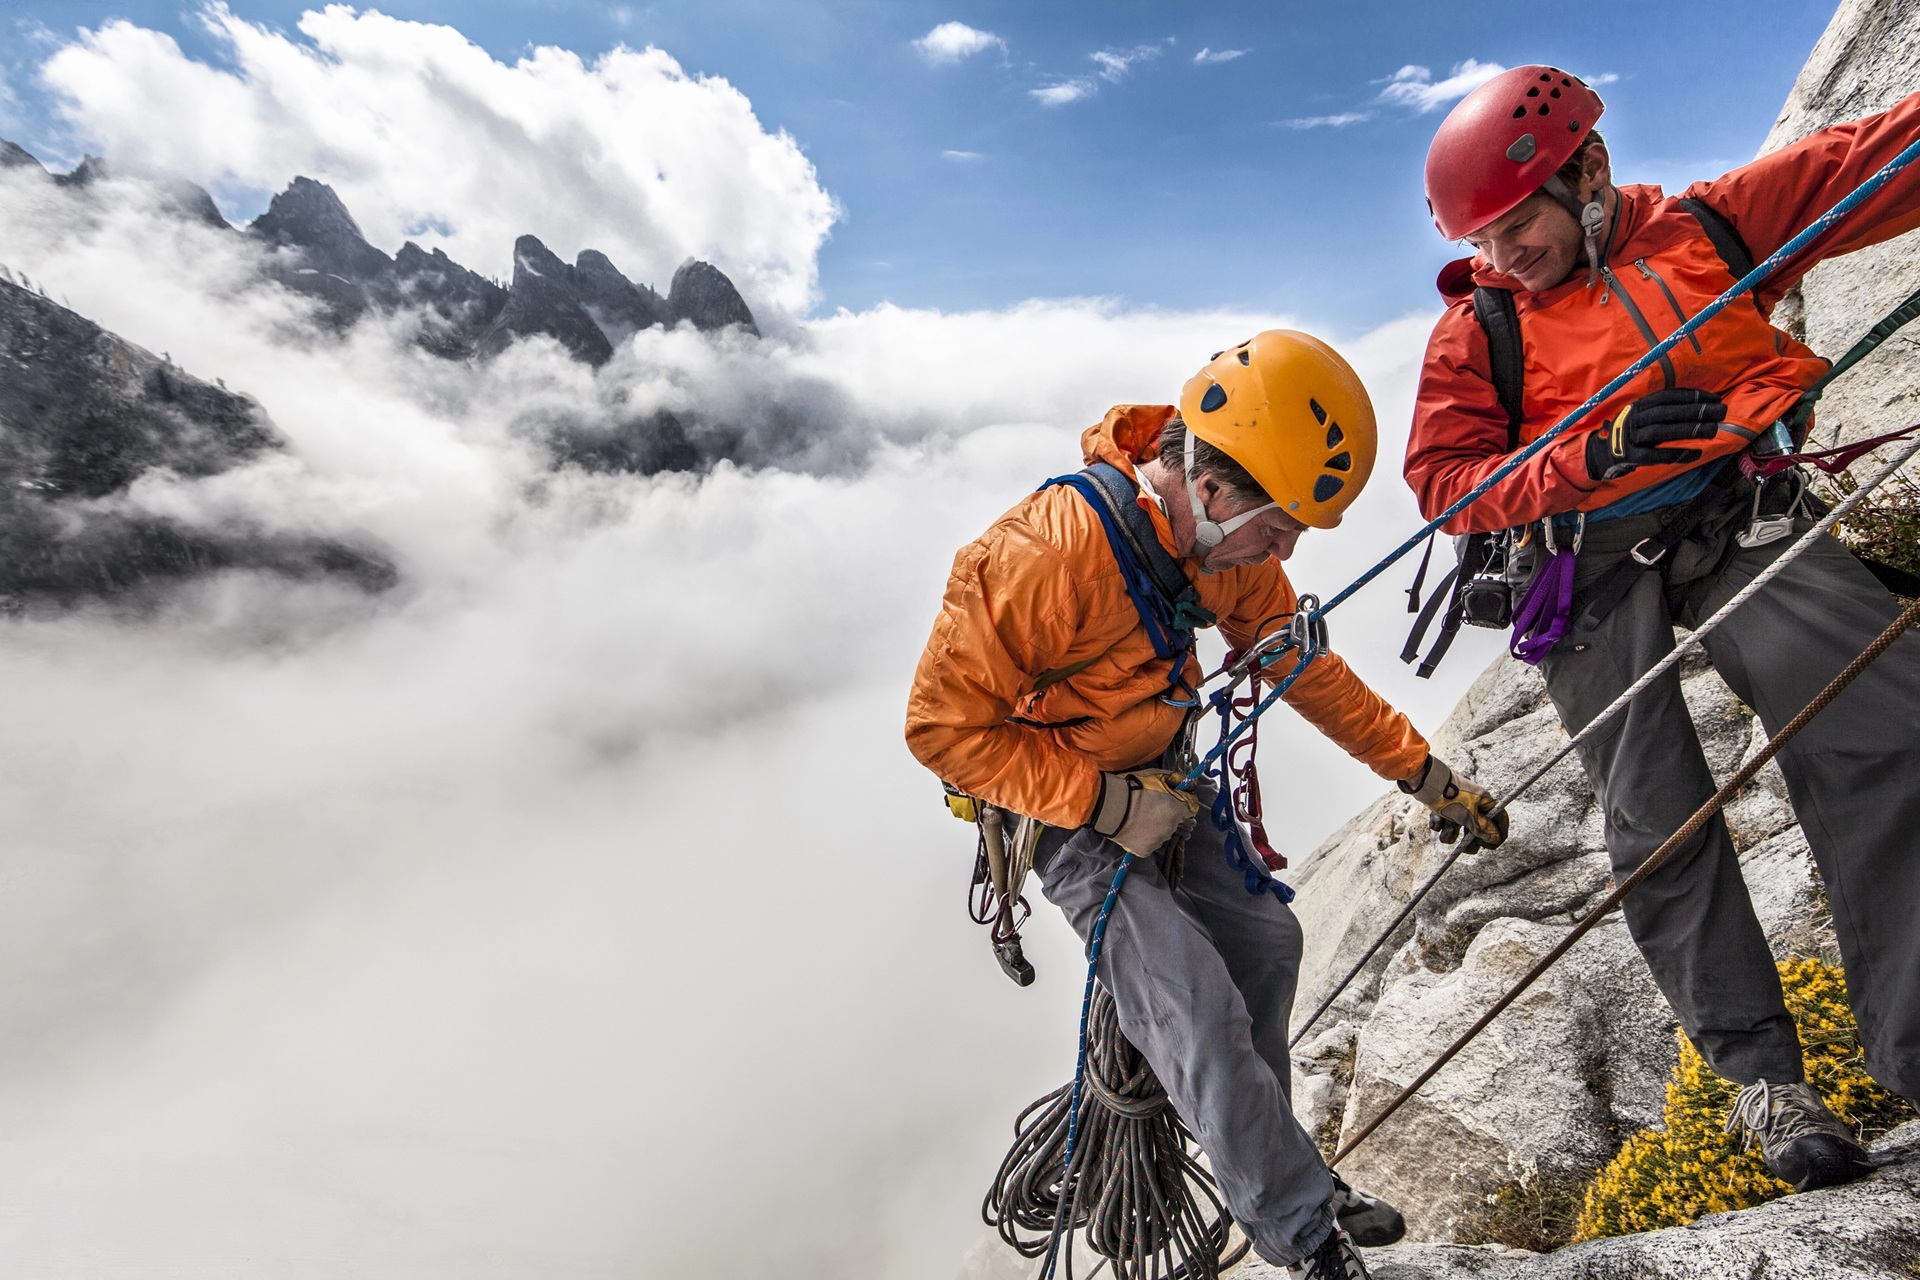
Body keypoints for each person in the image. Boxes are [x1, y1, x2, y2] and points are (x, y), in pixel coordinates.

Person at [1407, 66, 1920, 1193]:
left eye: (1518, 222)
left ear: (1589, 171)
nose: (1502, 254)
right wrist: (1589, 454)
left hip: (1736, 512)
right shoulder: (1481, 330)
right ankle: (1765, 1080)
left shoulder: (1710, 229)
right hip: (1584, 567)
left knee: (1889, 722)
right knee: (1658, 814)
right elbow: (1445, 483)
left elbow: (1874, 158)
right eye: (1482, 235)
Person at [907, 330, 1507, 1278]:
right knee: (1194, 1006)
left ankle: (1276, 1164)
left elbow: (1299, 666)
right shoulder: (1042, 557)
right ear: (1217, 490)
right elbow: (942, 729)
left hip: (1163, 782)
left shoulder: (1226, 546)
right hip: (1063, 812)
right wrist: (1105, 808)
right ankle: (1306, 1233)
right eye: (1281, 529)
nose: (1287, 551)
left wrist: (1424, 773)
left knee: (1270, 947)